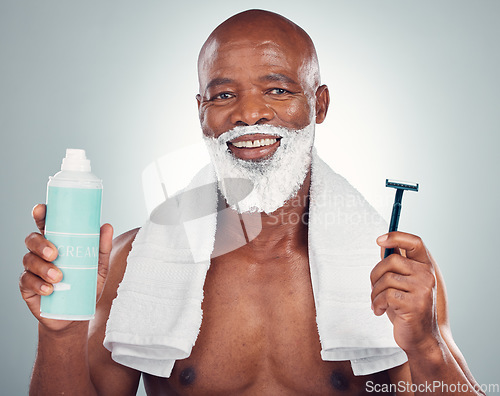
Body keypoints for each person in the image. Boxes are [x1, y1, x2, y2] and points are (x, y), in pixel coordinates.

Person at [21, 9, 484, 395]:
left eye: (278, 90)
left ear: (319, 105)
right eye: (224, 95)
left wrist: (424, 345)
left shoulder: (392, 269)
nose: (248, 114)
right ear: (200, 111)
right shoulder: (134, 262)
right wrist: (59, 333)